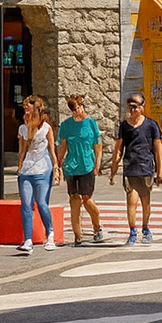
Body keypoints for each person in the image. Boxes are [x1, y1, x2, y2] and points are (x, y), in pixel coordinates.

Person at [108, 92, 162, 246]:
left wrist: (160, 172)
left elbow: (158, 149)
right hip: (130, 167)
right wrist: (113, 170)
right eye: (130, 107)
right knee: (130, 201)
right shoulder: (124, 126)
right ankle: (132, 230)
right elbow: (119, 149)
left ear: (142, 107)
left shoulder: (151, 125)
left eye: (135, 107)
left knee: (145, 202)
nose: (132, 110)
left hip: (145, 167)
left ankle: (145, 228)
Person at [14, 95, 60, 253]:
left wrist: (56, 168)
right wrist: (19, 168)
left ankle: (50, 235)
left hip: (43, 169)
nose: (25, 108)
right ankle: (27, 240)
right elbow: (23, 150)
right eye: (24, 106)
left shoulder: (46, 127)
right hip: (27, 170)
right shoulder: (22, 128)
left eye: (28, 105)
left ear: (37, 107)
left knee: (41, 203)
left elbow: (52, 149)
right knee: (26, 205)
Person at [56, 94, 104, 245]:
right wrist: (57, 166)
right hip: (71, 167)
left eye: (78, 108)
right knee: (74, 200)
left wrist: (97, 165)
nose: (77, 111)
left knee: (87, 199)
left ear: (83, 107)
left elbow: (98, 146)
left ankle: (97, 227)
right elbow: (62, 147)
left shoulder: (90, 123)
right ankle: (78, 235)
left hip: (87, 165)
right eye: (74, 109)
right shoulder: (66, 125)